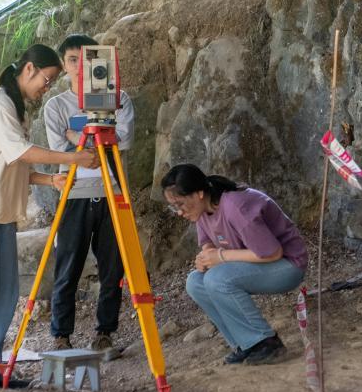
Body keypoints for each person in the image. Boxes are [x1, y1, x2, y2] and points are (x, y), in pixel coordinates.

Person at [0, 44, 99, 382]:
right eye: (46, 81)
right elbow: (21, 153)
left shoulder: (17, 110)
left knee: (5, 292)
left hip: (0, 212)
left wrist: (49, 179)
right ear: (28, 69)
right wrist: (74, 158)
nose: (45, 89)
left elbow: (12, 166)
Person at [161, 164, 308, 365]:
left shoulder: (235, 206)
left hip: (287, 265)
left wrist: (220, 257)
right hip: (259, 263)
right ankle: (245, 343)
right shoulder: (202, 211)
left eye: (180, 204)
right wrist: (205, 257)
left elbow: (272, 252)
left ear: (199, 194)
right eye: (173, 207)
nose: (179, 212)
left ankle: (266, 343)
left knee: (217, 279)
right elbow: (207, 243)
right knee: (195, 282)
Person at [43, 34, 134, 352]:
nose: (80, 67)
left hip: (111, 191)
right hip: (73, 192)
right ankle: (61, 335)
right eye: (71, 60)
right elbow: (60, 151)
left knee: (113, 267)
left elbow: (121, 142)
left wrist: (74, 134)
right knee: (67, 267)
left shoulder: (118, 97)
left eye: (86, 59)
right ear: (63, 65)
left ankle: (105, 332)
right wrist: (91, 138)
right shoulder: (56, 106)